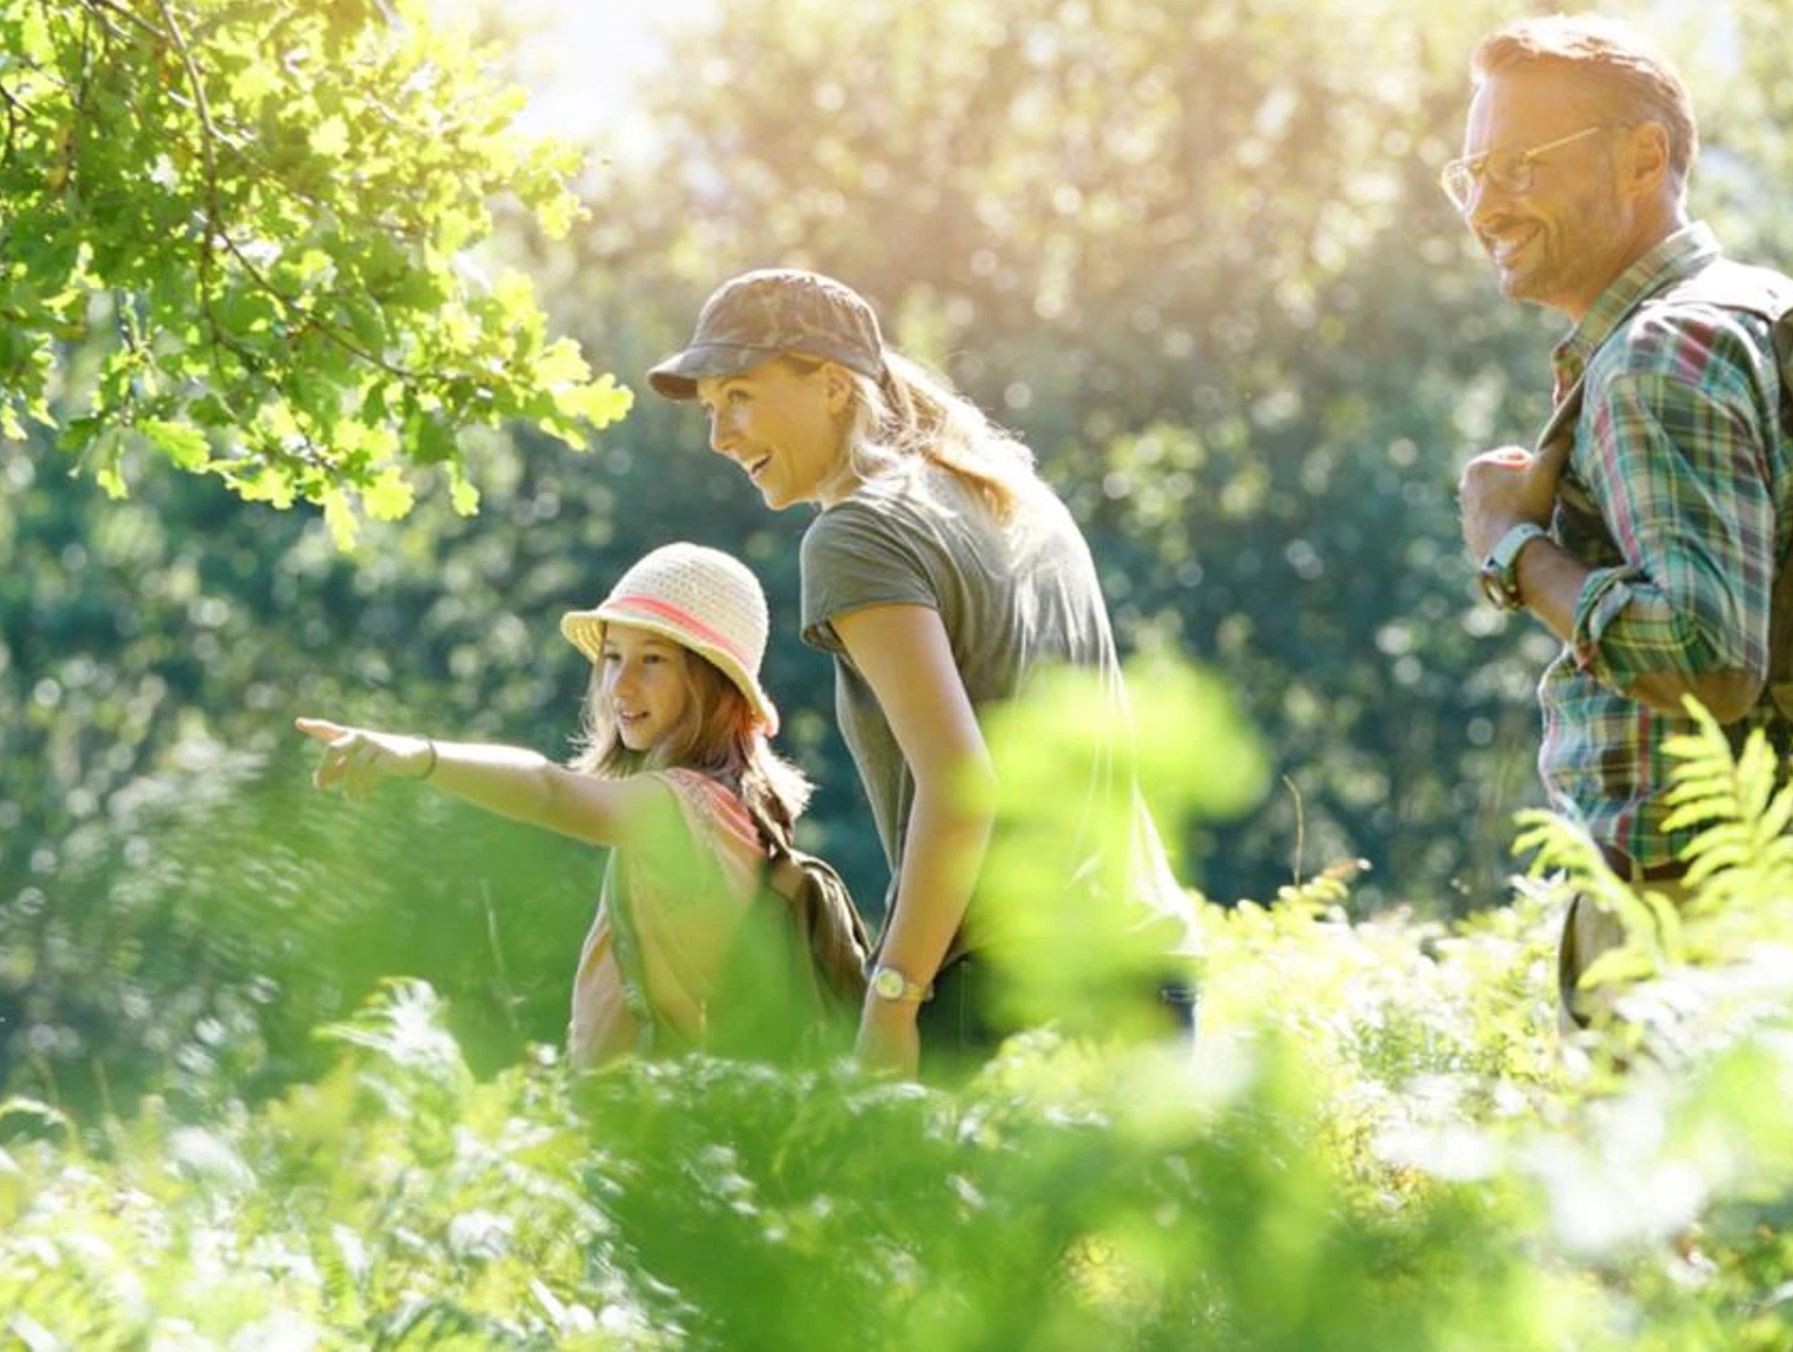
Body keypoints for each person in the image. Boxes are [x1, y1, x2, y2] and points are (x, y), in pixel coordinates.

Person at [647, 268, 1200, 1081]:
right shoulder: (1008, 495)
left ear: (832, 386)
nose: (719, 436)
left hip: (1010, 993)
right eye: (708, 409)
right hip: (1148, 966)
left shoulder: (857, 535)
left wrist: (895, 997)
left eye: (738, 397)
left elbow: (960, 783)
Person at [1444, 15, 1793, 1027]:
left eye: (1517, 168)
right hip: (1789, 888)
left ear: (1644, 158)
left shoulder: (1656, 357)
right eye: (1470, 174)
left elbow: (1707, 656)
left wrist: (1512, 550)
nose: (1484, 208)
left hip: (1685, 924)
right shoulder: (1758, 310)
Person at [296, 543, 813, 1069]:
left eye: (653, 659)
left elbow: (548, 791)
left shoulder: (684, 806)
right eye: (612, 657)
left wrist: (419, 756)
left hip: (651, 1126)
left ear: (715, 684)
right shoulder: (728, 806)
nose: (622, 684)